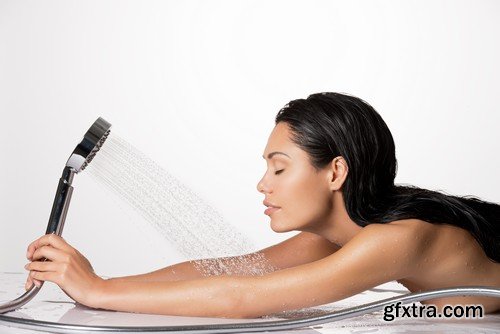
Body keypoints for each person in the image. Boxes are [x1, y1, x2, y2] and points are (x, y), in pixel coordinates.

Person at [24, 92, 500, 318]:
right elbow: (235, 271)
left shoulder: (395, 239)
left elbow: (244, 298)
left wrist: (98, 293)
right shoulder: (338, 235)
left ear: (335, 172)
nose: (261, 185)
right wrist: (95, 281)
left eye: (279, 167)